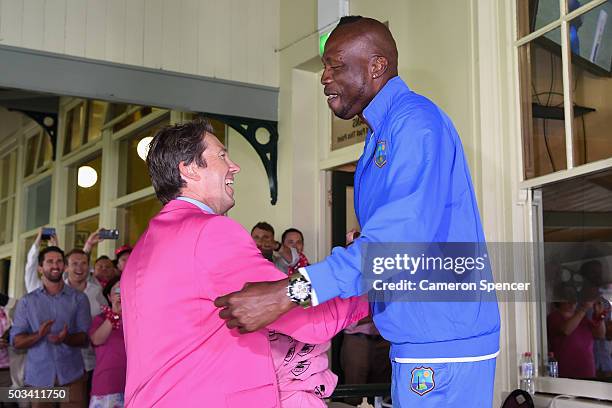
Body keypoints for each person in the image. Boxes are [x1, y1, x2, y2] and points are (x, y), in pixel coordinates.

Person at [215, 16, 501, 407]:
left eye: (335, 65)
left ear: (376, 66)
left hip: (441, 340)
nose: (324, 77)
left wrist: (289, 291)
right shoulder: (383, 132)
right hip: (422, 335)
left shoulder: (415, 123)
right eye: (323, 67)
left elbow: (400, 242)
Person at [121, 119, 368, 407]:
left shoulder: (144, 246)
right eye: (222, 156)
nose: (234, 166)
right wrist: (382, 280)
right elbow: (314, 320)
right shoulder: (210, 232)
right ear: (188, 168)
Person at [11, 246, 91, 407]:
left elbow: (84, 338)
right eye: (50, 262)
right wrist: (38, 335)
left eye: (59, 261)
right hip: (39, 377)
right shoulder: (27, 302)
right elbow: (17, 342)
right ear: (40, 268)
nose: (55, 266)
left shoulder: (79, 299)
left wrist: (65, 338)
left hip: (72, 374)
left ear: (65, 266)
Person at [89, 276, 126, 408]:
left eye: (124, 289)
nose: (121, 294)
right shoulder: (99, 319)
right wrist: (115, 314)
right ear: (109, 297)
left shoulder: (137, 320)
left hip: (133, 385)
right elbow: (96, 340)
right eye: (117, 291)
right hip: (107, 385)